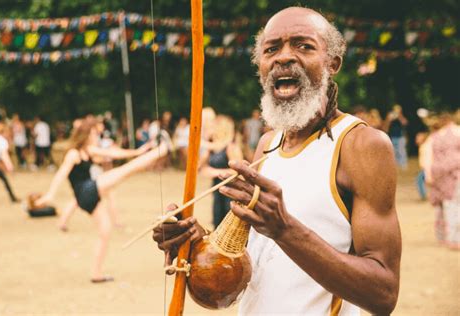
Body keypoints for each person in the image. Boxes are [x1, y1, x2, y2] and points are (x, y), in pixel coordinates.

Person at [153, 7, 401, 315]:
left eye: (303, 45)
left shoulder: (361, 144)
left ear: (332, 63)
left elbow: (384, 293)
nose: (284, 57)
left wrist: (284, 230)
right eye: (272, 49)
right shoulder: (268, 145)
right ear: (261, 67)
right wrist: (196, 244)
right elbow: (251, 273)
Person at [36, 121, 170, 282]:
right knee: (125, 171)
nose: (95, 137)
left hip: (88, 197)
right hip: (86, 191)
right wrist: (50, 195)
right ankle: (162, 150)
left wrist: (137, 151)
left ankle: (96, 273)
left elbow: (113, 153)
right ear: (86, 135)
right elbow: (61, 174)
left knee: (105, 232)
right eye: (93, 134)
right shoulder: (73, 153)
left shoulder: (88, 150)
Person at [423, 112, 460, 249]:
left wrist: (428, 176)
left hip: (439, 175)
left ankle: (444, 236)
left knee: (443, 207)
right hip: (454, 175)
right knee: (453, 206)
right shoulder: (457, 133)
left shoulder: (434, 137)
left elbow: (427, 156)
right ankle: (454, 238)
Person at [200, 115, 243, 228]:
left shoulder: (231, 147)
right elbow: (201, 169)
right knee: (217, 224)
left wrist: (214, 172)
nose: (211, 128)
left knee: (229, 225)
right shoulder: (212, 148)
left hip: (230, 191)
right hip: (217, 191)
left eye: (215, 125)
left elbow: (239, 171)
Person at [384, 104, 409, 169]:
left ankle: (403, 167)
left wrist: (399, 116)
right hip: (392, 136)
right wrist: (389, 119)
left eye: (398, 109)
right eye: (395, 109)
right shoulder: (390, 116)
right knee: (394, 152)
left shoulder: (401, 116)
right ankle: (396, 166)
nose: (397, 111)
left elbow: (405, 123)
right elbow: (385, 127)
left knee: (401, 151)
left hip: (401, 136)